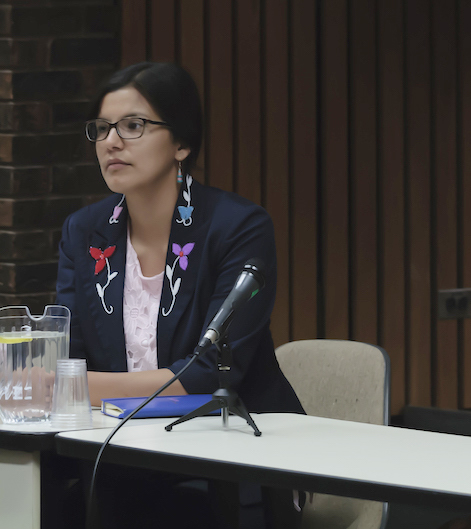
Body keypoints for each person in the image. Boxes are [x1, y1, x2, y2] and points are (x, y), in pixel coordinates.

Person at [55, 61, 302, 528]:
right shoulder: (84, 232)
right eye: (102, 129)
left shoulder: (237, 228)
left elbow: (209, 373)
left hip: (229, 456)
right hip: (120, 453)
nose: (111, 141)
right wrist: (61, 384)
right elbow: (69, 354)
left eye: (133, 126)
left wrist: (72, 389)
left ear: (182, 144)